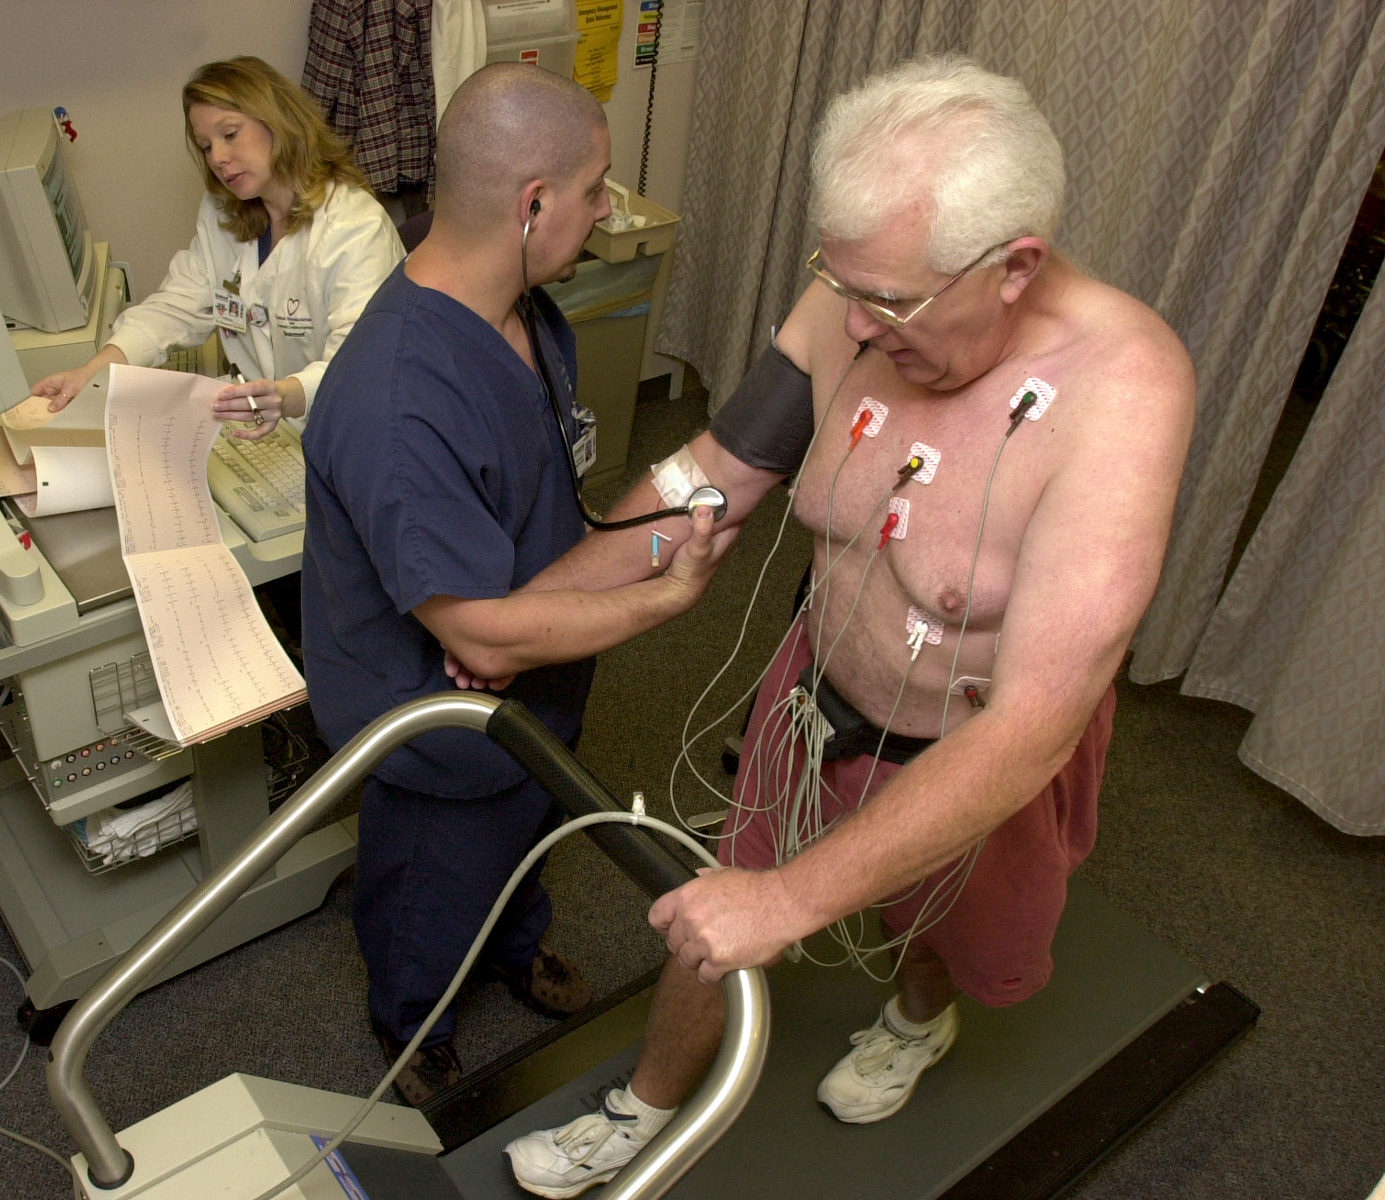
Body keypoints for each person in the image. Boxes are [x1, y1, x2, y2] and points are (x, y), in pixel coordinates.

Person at [502, 55, 1195, 1197]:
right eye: (842, 281)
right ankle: (643, 1106)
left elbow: (1033, 723)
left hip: (971, 749)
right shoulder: (862, 296)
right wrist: (522, 622)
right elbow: (709, 477)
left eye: (893, 302)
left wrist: (791, 904)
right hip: (811, 700)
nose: (857, 323)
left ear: (1015, 266)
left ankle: (919, 1019)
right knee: (718, 911)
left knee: (930, 933)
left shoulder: (1123, 391)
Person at [300, 63, 733, 1107]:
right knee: (432, 879)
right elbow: (482, 641)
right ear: (532, 204)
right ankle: (415, 1019)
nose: (606, 211)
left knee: (535, 822)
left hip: (536, 671)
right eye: (594, 189)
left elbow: (530, 504)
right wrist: (663, 598)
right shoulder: (399, 401)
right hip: (437, 717)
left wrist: (542, 615)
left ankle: (514, 944)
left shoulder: (522, 311)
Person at [30, 56, 403, 438]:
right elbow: (175, 308)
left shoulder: (355, 229)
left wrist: (284, 396)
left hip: (343, 432)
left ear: (279, 122)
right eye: (206, 146)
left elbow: (360, 368)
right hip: (264, 429)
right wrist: (91, 374)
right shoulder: (224, 212)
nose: (218, 159)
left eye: (230, 134)